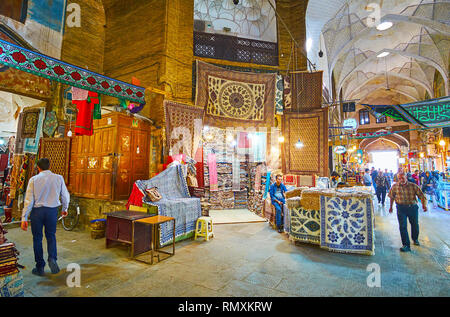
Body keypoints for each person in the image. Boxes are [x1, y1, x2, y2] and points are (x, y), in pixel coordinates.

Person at [20, 158, 70, 276]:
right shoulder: (59, 178)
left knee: (37, 238)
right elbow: (65, 195)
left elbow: (29, 200)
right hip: (52, 211)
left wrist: (24, 217)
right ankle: (52, 258)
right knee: (51, 236)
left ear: (38, 167)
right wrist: (65, 209)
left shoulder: (34, 179)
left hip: (37, 212)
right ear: (49, 166)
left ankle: (40, 267)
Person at [388, 172, 427, 252]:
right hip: (401, 208)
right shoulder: (395, 186)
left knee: (414, 224)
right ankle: (406, 245)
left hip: (412, 207)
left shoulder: (413, 186)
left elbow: (421, 196)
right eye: (399, 178)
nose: (401, 180)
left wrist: (424, 205)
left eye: (403, 178)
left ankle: (415, 238)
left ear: (406, 177)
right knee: (402, 226)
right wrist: (391, 207)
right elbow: (391, 197)